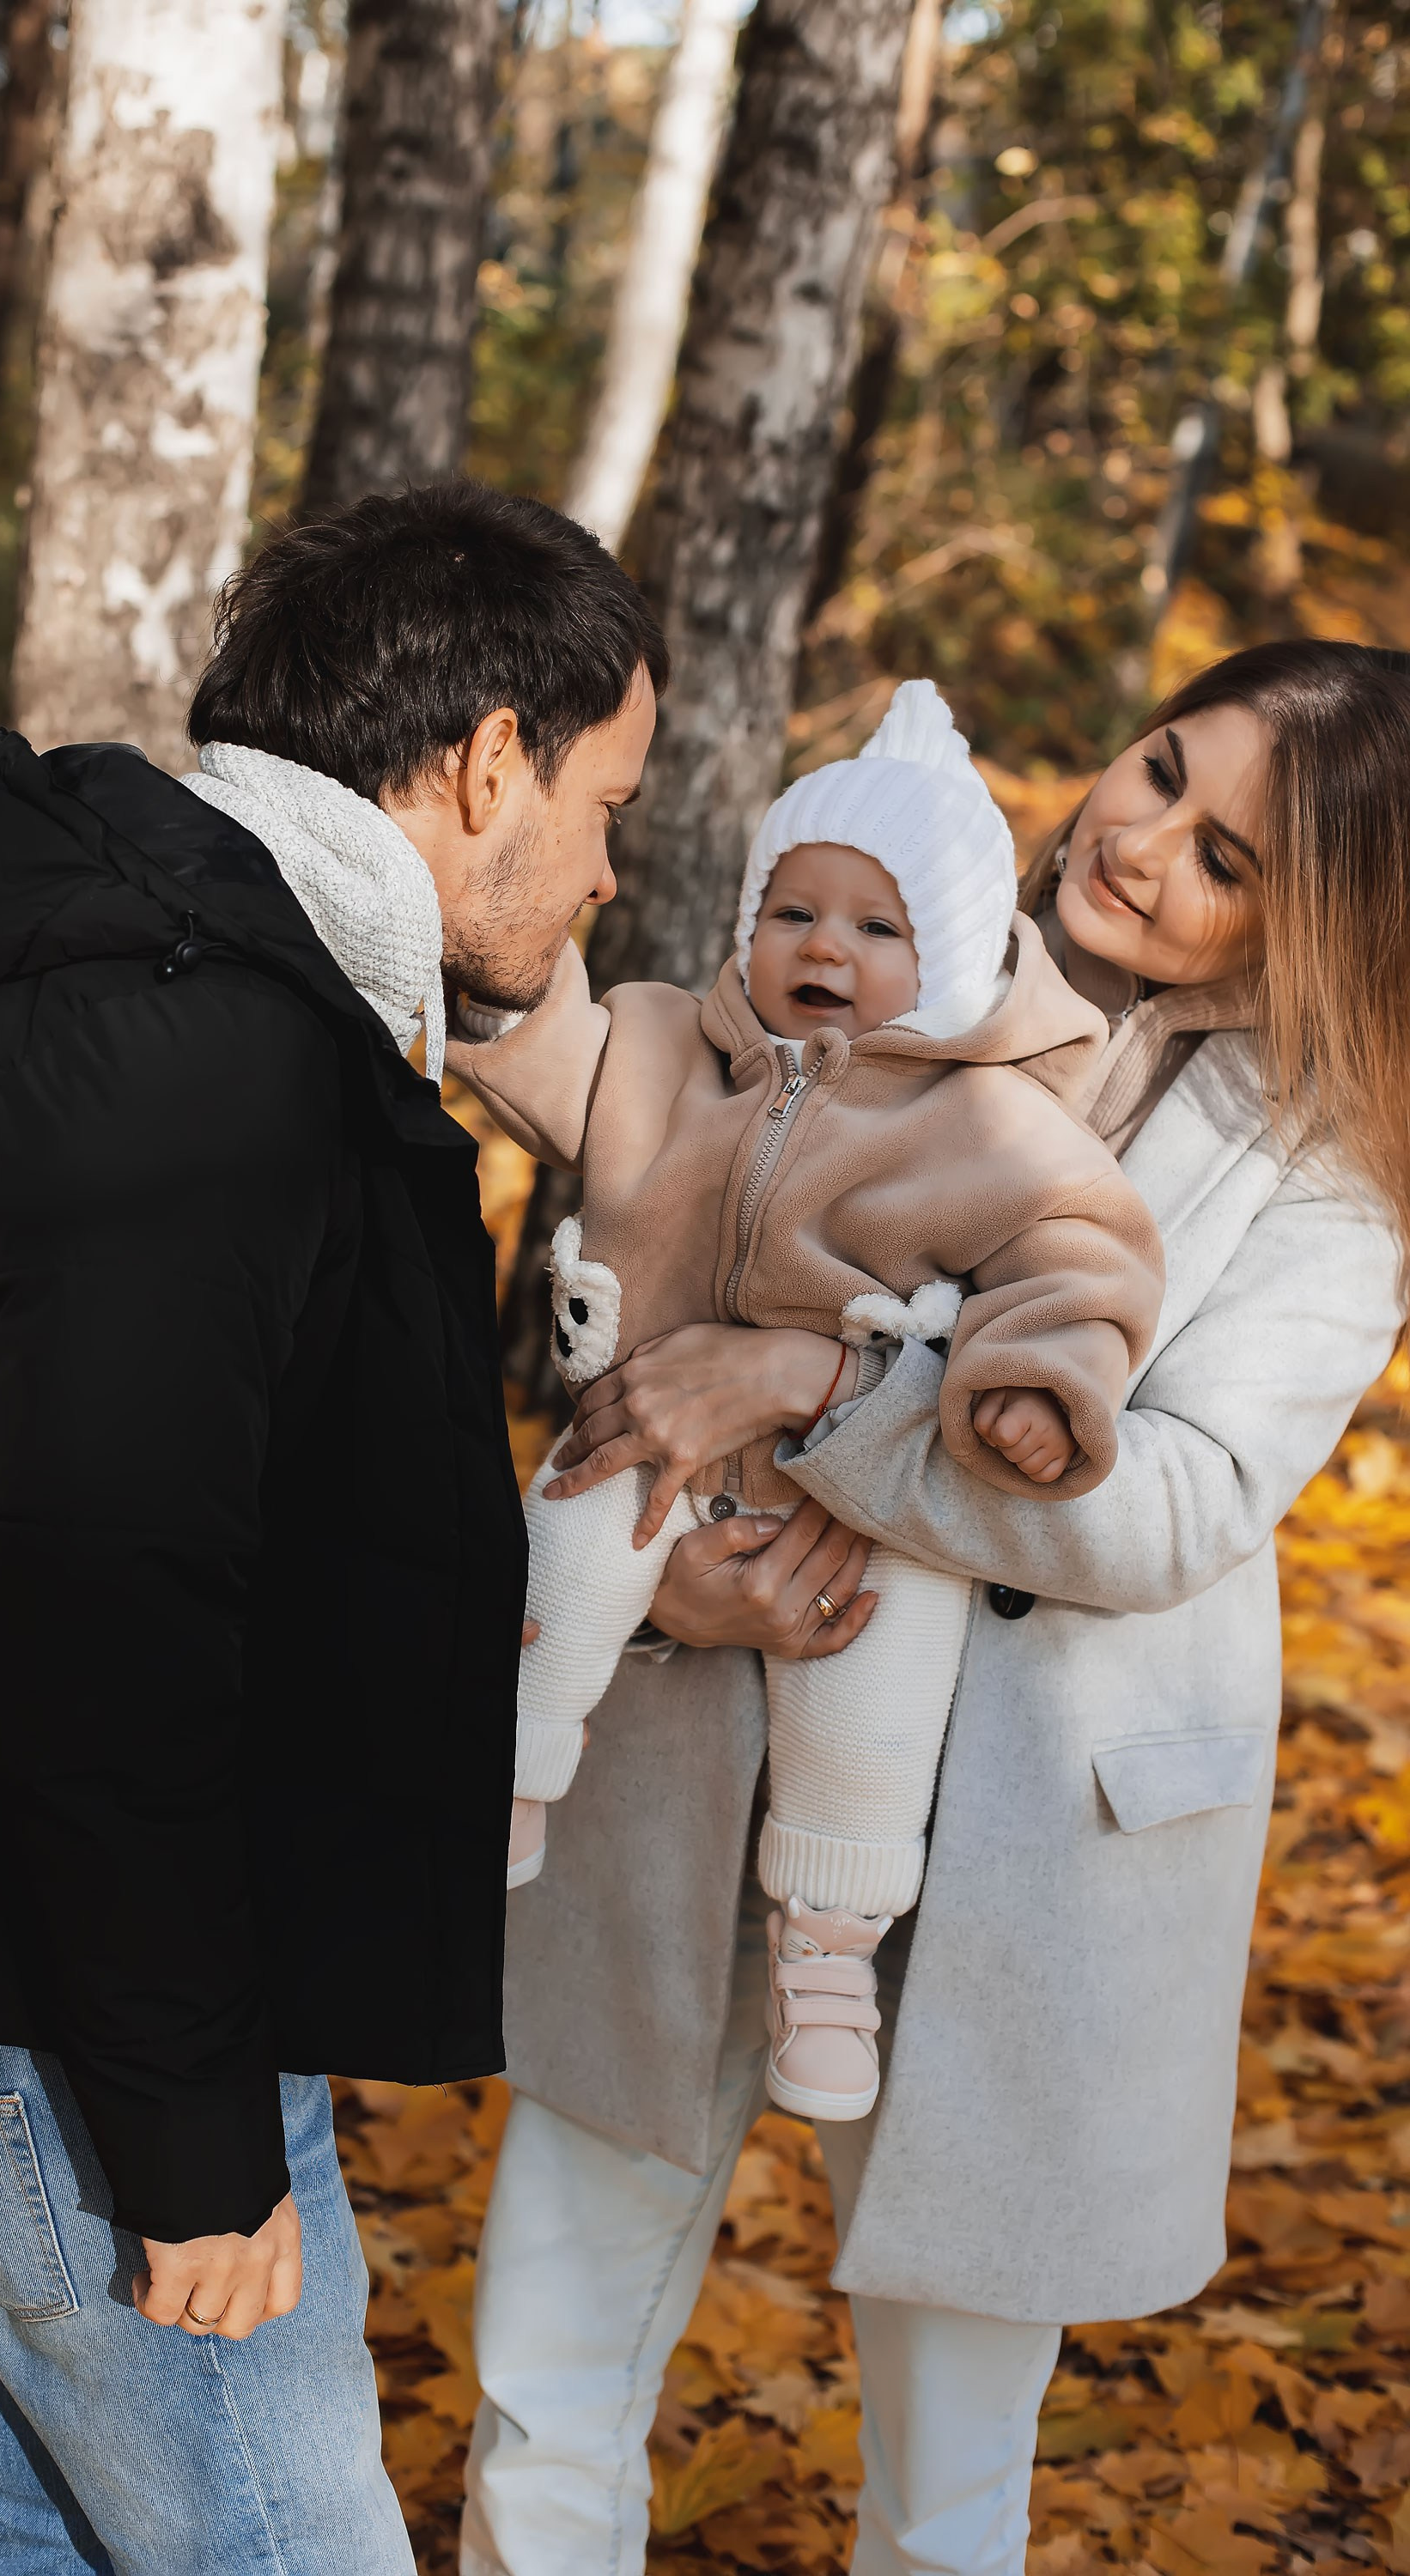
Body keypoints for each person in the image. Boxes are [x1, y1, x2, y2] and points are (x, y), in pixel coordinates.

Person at [0, 482, 665, 2575]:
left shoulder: (220, 990)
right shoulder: (193, 1049)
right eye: (606, 799)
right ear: (489, 757)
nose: (604, 868)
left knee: (63, 2525)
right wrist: (197, 2156)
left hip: (70, 1969)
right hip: (81, 2006)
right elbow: (99, 1638)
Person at [461, 639, 1410, 2576]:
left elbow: (1174, 1509)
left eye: (1223, 853)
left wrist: (815, 1391)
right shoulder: (876, 944)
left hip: (1026, 1855)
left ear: (1307, 934)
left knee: (948, 2481)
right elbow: (654, 1243)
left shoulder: (1328, 1177)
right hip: (696, 1739)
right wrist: (675, 1582)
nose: (1138, 843)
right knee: (544, 2378)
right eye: (1158, 768)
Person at [449, 680, 1163, 2123]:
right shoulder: (667, 1048)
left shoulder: (992, 1126)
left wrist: (1038, 1385)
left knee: (875, 1686)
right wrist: (487, 970)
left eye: (876, 927)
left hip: (866, 1494)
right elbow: (545, 1047)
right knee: (568, 1557)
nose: (823, 945)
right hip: (649, 1437)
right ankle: (508, 1780)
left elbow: (1083, 1265)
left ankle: (829, 1954)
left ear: (951, 960)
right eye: (793, 912)